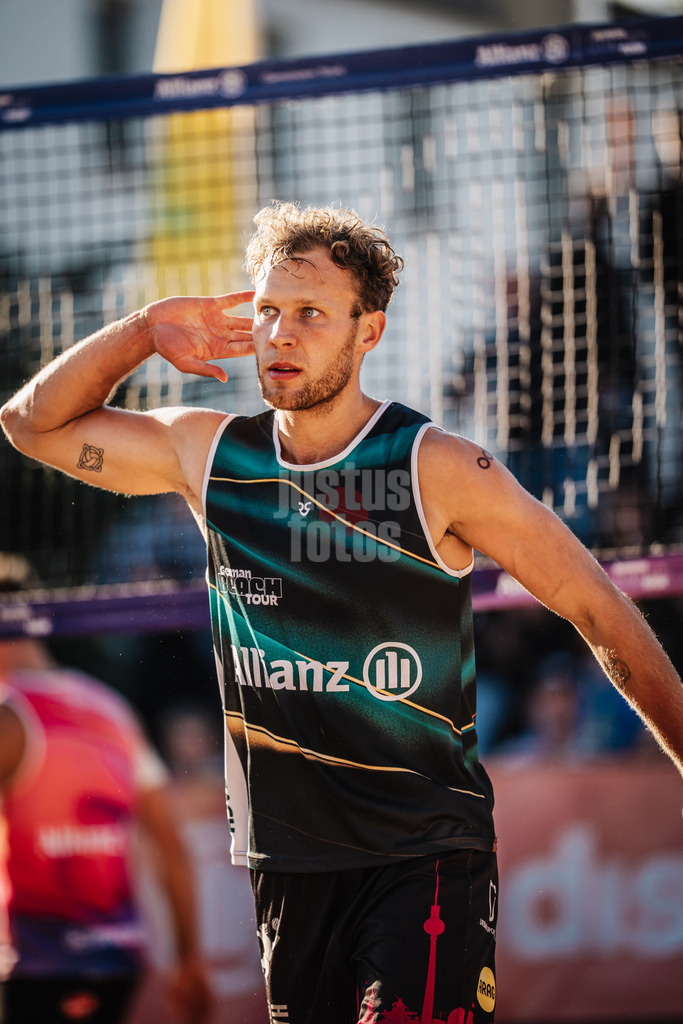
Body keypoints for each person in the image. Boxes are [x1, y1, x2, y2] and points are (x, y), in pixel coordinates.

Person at [1, 201, 682, 1024]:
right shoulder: (211, 454)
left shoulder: (436, 467)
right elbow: (29, 424)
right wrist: (146, 329)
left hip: (422, 859)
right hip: (284, 866)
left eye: (311, 314)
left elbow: (599, 610)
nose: (280, 334)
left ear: (368, 333)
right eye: (267, 313)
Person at [0, 554, 212, 1024]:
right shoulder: (110, 709)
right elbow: (170, 844)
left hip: (36, 964)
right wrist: (189, 959)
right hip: (118, 961)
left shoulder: (9, 713)